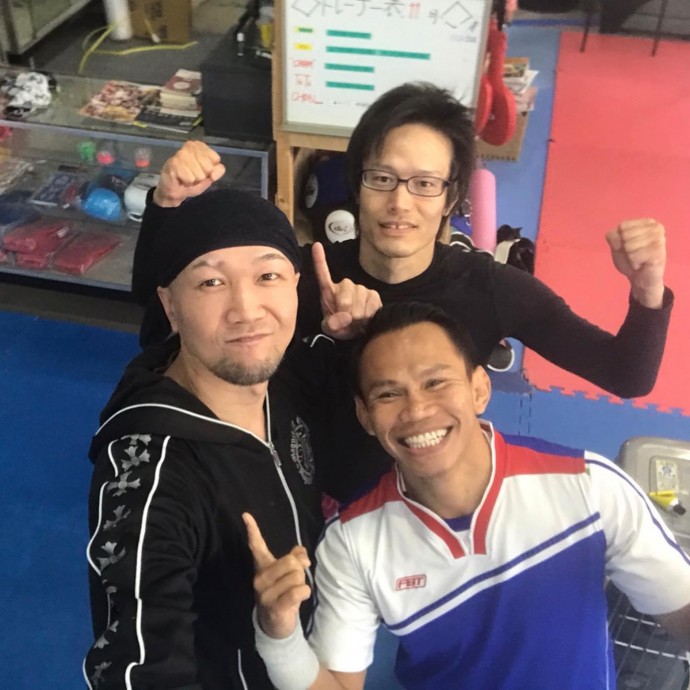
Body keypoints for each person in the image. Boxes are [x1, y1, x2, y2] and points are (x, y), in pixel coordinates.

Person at [246, 302, 690, 690]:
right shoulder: (352, 540)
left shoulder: (588, 485)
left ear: (479, 388)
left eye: (435, 383)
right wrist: (279, 635)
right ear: (365, 416)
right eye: (389, 393)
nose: (417, 410)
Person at [132, 82, 672, 400]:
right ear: (357, 183)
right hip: (302, 494)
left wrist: (647, 290)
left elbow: (625, 375)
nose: (400, 203)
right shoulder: (302, 275)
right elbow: (162, 332)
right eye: (382, 178)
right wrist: (166, 206)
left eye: (425, 184)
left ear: (451, 196)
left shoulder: (494, 289)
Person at [83, 189, 381, 690]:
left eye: (268, 276)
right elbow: (139, 667)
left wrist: (359, 343)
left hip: (306, 659)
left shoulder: (283, 372)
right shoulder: (149, 479)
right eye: (211, 282)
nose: (246, 310)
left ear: (296, 287)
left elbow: (364, 461)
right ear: (170, 306)